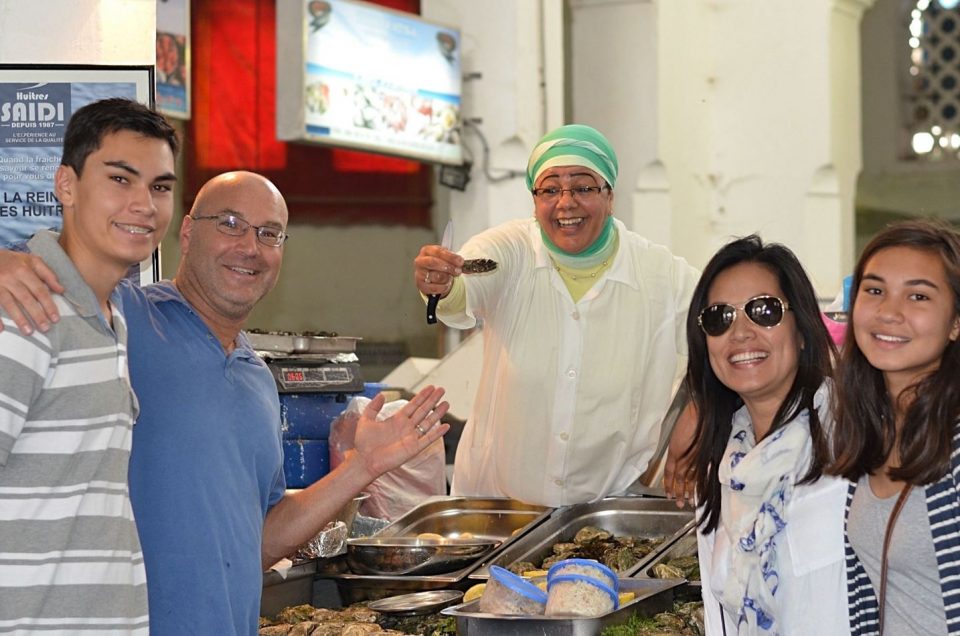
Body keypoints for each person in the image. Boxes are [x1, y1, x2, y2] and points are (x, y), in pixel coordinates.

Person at [0, 171, 450, 636]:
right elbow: (46, 271)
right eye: (231, 223)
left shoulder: (258, 379)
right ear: (190, 232)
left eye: (269, 233)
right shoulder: (126, 318)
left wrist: (361, 467)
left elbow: (260, 541)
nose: (250, 247)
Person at [414, 123, 700, 506]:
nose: (566, 203)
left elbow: (724, 339)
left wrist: (696, 418)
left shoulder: (660, 274)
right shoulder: (510, 250)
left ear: (610, 195)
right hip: (494, 508)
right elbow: (462, 288)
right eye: (550, 189)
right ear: (535, 199)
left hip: (603, 511)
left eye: (583, 187)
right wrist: (441, 284)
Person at [0, 98, 178, 634]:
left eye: (161, 186)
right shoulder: (25, 312)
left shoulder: (111, 314)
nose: (144, 204)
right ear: (66, 185)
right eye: (121, 179)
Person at [686, 235, 849, 634]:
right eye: (719, 317)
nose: (740, 332)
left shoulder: (854, 443)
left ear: (804, 330)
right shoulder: (718, 466)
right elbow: (716, 613)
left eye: (764, 311)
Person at [829, 219, 960, 635]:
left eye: (918, 295)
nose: (889, 311)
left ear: (956, 322)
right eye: (875, 290)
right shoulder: (872, 430)